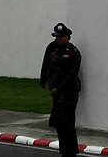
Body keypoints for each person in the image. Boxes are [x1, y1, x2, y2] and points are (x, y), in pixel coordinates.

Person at [40, 22, 82, 157]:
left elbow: (72, 74)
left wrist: (59, 88)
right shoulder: (54, 52)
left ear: (68, 37)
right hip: (56, 93)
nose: (59, 39)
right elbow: (49, 71)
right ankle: (64, 150)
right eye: (57, 36)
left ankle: (72, 151)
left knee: (68, 123)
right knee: (58, 123)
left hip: (69, 92)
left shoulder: (73, 53)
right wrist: (51, 87)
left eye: (62, 36)